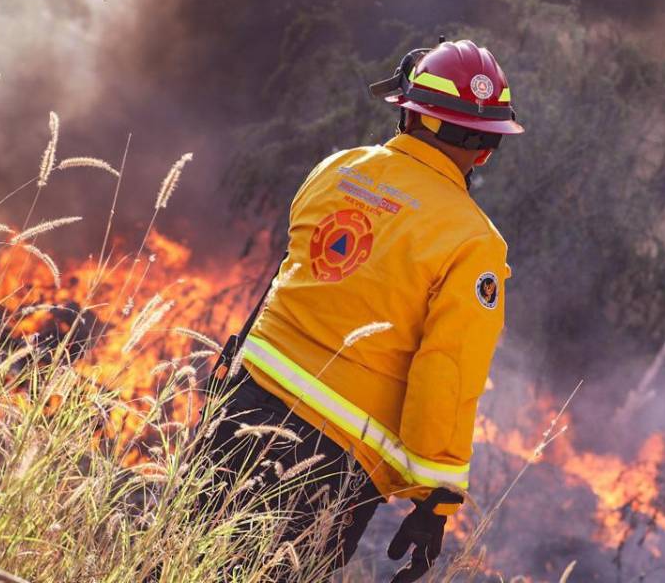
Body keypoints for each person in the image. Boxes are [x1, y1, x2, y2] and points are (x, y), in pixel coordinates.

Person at [199, 39, 523, 582]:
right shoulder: (474, 243)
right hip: (330, 465)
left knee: (180, 562)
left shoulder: (336, 169)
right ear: (486, 149)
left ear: (408, 112)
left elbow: (291, 272)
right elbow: (446, 371)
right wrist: (434, 500)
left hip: (241, 408)